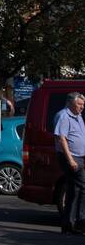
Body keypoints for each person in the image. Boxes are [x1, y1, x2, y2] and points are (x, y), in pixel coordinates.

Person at [54, 92, 85, 234]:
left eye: (83, 105)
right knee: (82, 186)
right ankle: (80, 221)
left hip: (79, 157)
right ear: (71, 103)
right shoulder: (64, 116)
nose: (82, 107)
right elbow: (62, 139)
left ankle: (68, 224)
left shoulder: (78, 116)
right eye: (79, 104)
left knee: (74, 191)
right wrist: (71, 160)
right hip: (70, 157)